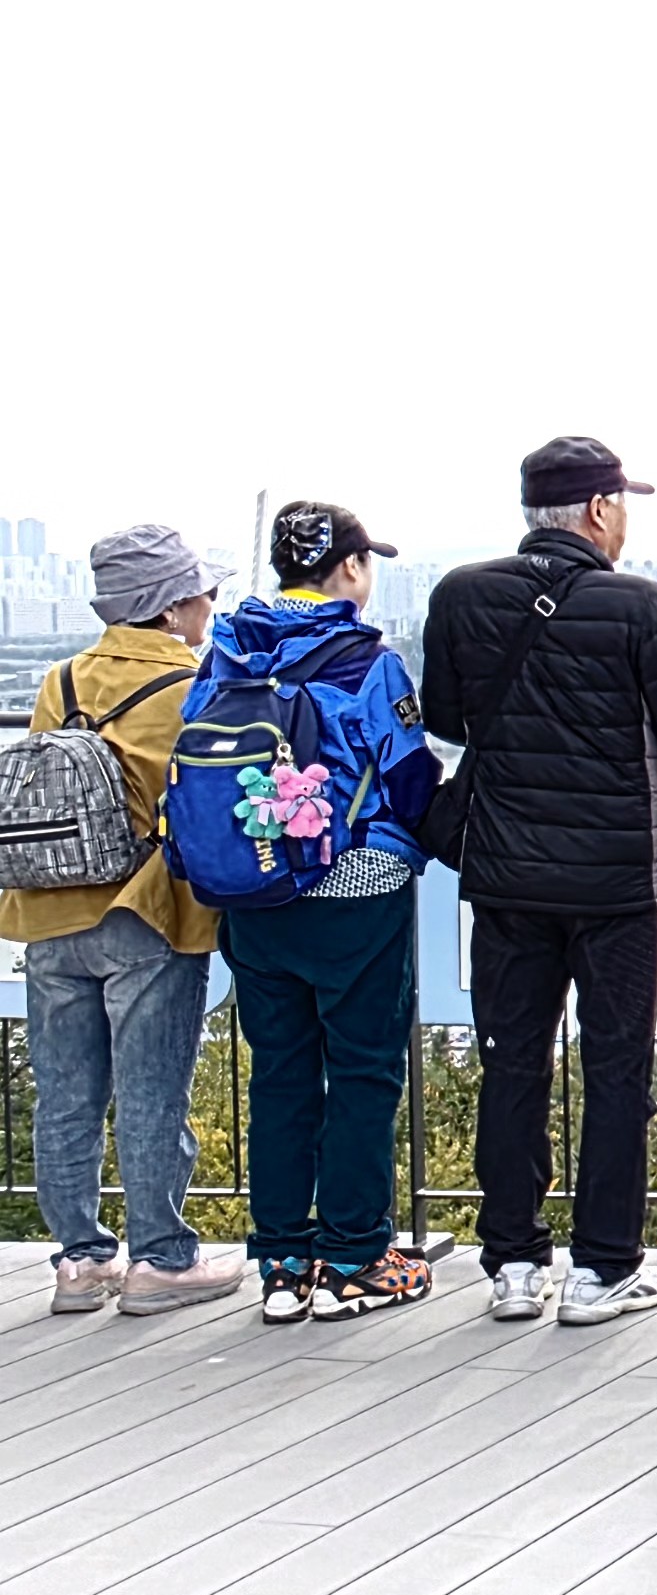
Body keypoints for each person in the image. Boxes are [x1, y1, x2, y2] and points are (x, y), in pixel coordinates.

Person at [420, 438, 657, 1327]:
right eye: (623, 503)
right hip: (615, 887)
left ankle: (513, 1264)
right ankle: (603, 1268)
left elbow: (449, 718)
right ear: (600, 510)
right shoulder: (635, 603)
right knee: (614, 1072)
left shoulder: (459, 594)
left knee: (512, 1066)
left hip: (506, 880)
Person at [208, 502, 445, 1323]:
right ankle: (354, 1257)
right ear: (348, 567)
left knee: (279, 1073)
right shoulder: (367, 662)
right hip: (356, 891)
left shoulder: (228, 651)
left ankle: (282, 1262)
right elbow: (408, 778)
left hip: (253, 886)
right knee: (363, 1072)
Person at [4, 527, 242, 1316]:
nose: (211, 606)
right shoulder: (195, 685)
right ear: (170, 608)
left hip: (48, 909)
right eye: (204, 593)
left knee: (66, 1095)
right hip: (147, 911)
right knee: (150, 1095)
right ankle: (162, 1260)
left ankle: (80, 1260)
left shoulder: (63, 679)